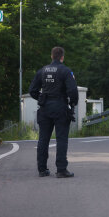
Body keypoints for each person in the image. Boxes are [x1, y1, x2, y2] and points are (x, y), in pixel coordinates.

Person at [29, 47, 78, 178]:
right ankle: (61, 170)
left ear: (51, 56)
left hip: (44, 108)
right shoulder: (66, 71)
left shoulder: (42, 71)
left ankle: (42, 169)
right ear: (62, 57)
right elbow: (73, 91)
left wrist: (41, 98)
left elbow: (32, 91)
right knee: (61, 139)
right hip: (60, 107)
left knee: (43, 139)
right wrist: (72, 104)